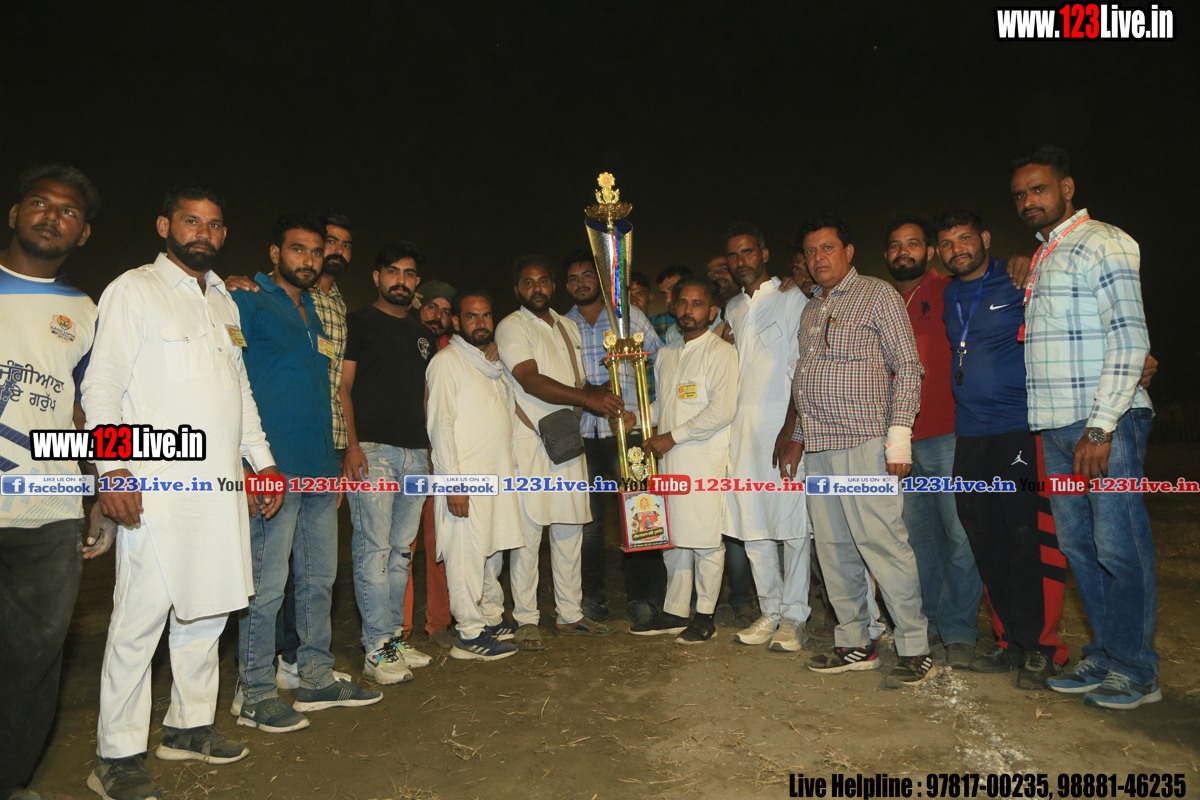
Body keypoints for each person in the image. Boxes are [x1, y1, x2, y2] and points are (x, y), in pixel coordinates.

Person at [82, 186, 282, 798]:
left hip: (219, 487)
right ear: (164, 226)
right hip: (156, 486)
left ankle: (189, 726)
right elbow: (102, 385)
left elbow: (238, 390)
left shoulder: (222, 299)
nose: (203, 233)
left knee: (210, 608)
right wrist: (112, 470)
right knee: (139, 619)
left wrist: (262, 463)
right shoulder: (133, 289)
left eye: (214, 225)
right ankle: (115, 754)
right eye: (191, 221)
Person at [1012, 146, 1160, 709]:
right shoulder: (1045, 253)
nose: (1028, 200)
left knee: (1119, 546)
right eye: (1020, 194)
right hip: (1054, 426)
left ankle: (1136, 670)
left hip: (1102, 421)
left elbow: (1129, 336)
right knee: (1080, 548)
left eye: (1039, 189)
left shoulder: (1103, 241)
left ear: (1067, 188)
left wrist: (1100, 429)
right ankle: (1104, 655)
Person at [231, 213, 381, 733]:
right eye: (298, 249)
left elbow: (325, 393)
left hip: (319, 468)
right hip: (271, 468)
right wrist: (248, 463)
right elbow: (230, 380)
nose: (309, 260)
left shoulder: (315, 310)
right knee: (266, 587)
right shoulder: (248, 300)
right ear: (275, 254)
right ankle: (254, 691)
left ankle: (315, 677)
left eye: (316, 252)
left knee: (318, 581)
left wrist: (335, 463)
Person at [781, 214, 934, 685]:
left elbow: (907, 366)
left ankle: (914, 645)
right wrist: (799, 437)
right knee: (833, 549)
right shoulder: (811, 308)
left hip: (866, 442)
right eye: (811, 251)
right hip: (820, 448)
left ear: (848, 252)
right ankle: (855, 641)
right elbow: (806, 378)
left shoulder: (877, 295)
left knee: (883, 545)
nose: (818, 258)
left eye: (827, 248)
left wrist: (899, 435)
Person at [0, 164, 114, 800]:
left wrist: (98, 491)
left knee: (33, 659)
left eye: (68, 211)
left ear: (84, 232)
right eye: (40, 203)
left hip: (47, 512)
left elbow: (90, 412)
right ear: (15, 213)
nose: (52, 216)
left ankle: (11, 780)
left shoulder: (86, 314)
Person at [933, 207, 1070, 689]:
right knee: (986, 537)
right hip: (971, 435)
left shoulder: (1018, 278)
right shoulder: (948, 293)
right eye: (947, 243)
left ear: (985, 238)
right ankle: (1011, 640)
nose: (957, 249)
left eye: (965, 238)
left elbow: (1069, 323)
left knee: (1028, 537)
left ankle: (1044, 648)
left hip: (1019, 431)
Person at [495, 255, 624, 650]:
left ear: (553, 286)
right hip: (530, 442)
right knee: (529, 534)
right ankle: (526, 618)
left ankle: (569, 614)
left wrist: (602, 393)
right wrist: (587, 399)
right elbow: (530, 380)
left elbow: (576, 381)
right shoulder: (512, 326)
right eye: (528, 282)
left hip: (567, 441)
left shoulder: (567, 326)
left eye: (543, 281)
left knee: (570, 528)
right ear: (517, 289)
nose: (537, 288)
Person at [884, 213, 984, 670]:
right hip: (899, 441)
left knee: (961, 535)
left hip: (948, 433)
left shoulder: (950, 289)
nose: (902, 251)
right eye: (894, 245)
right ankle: (928, 623)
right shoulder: (881, 301)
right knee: (918, 539)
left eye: (912, 243)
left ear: (929, 251)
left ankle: (959, 631)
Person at [341, 242, 438, 681]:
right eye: (394, 271)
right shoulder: (358, 322)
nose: (402, 280)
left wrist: (429, 452)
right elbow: (343, 388)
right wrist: (352, 446)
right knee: (373, 551)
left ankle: (394, 640)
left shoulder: (423, 335)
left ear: (417, 282)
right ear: (377, 276)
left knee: (401, 554)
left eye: (410, 273)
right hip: (373, 452)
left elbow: (425, 398)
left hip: (415, 454)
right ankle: (376, 648)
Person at [721, 223, 812, 653]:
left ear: (764, 253)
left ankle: (795, 616)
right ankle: (770, 609)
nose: (741, 261)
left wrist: (792, 430)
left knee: (793, 527)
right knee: (753, 525)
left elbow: (802, 368)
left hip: (783, 432)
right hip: (742, 436)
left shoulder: (792, 299)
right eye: (733, 255)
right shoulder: (732, 309)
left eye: (748, 252)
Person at [564, 249, 666, 625]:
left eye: (587, 275)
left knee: (639, 513)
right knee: (589, 524)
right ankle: (593, 598)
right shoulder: (562, 326)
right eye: (573, 278)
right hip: (582, 438)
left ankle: (642, 598)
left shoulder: (630, 317)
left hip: (630, 435)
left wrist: (647, 412)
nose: (581, 283)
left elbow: (665, 362)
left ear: (602, 280)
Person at [426, 289, 525, 660]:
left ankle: (490, 618)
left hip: (497, 476)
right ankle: (468, 633)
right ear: (456, 322)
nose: (480, 323)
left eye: (486, 315)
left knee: (491, 551)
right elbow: (439, 426)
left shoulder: (491, 365)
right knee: (465, 555)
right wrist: (453, 484)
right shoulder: (446, 363)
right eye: (471, 316)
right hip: (464, 479)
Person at [639, 276, 738, 643]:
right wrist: (636, 417)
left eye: (697, 304)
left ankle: (705, 615)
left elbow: (721, 411)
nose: (688, 310)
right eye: (682, 303)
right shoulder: (666, 354)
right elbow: (665, 405)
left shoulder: (721, 352)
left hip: (703, 461)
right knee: (674, 538)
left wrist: (671, 437)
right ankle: (675, 611)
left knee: (706, 539)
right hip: (669, 462)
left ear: (712, 312)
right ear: (673, 307)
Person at [409, 278, 458, 650]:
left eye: (445, 311)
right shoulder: (403, 339)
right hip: (404, 452)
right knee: (402, 545)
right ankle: (397, 627)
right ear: (417, 306)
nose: (437, 316)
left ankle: (439, 621)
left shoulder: (455, 351)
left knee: (439, 540)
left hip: (438, 456)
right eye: (431, 308)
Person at [650, 264, 690, 341]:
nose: (668, 300)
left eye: (673, 290)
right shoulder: (671, 333)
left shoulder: (713, 324)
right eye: (664, 295)